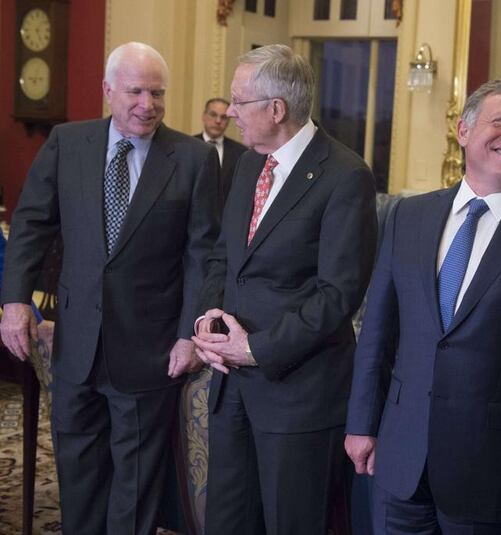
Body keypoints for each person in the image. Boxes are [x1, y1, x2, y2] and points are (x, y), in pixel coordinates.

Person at [345, 79, 501, 534]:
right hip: (400, 460)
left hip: (497, 474)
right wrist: (362, 424)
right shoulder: (409, 216)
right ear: (463, 131)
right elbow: (377, 334)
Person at [0, 42, 221, 534]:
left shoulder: (194, 159)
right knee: (78, 474)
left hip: (148, 351)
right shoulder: (67, 142)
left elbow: (202, 256)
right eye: (137, 91)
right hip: (75, 346)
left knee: (134, 486)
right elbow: (33, 223)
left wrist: (189, 334)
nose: (149, 104)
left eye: (158, 93)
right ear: (107, 91)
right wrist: (14, 300)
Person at [191, 44, 377, 534]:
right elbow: (223, 256)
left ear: (276, 109)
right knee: (228, 524)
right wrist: (208, 322)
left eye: (238, 101)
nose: (229, 113)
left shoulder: (346, 176)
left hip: (298, 396)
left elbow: (338, 294)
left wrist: (256, 347)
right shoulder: (248, 163)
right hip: (231, 389)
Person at [195, 97, 247, 202]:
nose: (218, 121)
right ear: (204, 116)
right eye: (213, 115)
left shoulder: (241, 152)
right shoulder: (189, 146)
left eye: (224, 117)